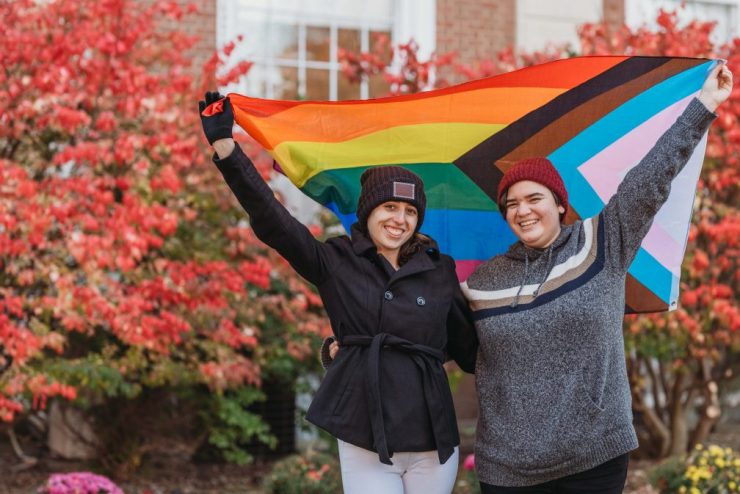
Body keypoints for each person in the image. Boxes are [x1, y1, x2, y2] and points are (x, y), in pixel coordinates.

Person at [460, 63, 733, 493]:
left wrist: (703, 106)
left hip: (593, 459)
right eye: (511, 204)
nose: (523, 210)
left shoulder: (602, 241)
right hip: (507, 471)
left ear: (559, 204)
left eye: (535, 198)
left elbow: (651, 179)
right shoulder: (482, 282)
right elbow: (427, 332)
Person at [199, 91, 478, 494]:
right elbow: (276, 223)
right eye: (390, 207)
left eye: (410, 211)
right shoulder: (337, 259)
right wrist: (228, 149)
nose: (400, 219)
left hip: (432, 440)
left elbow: (465, 348)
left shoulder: (439, 269)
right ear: (369, 212)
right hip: (365, 433)